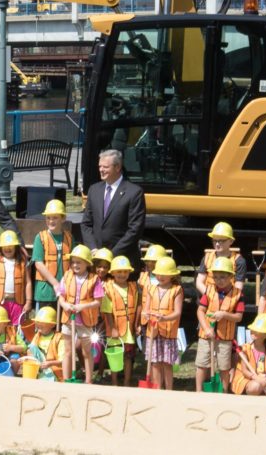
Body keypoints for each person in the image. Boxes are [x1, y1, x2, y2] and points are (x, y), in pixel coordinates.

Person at [81, 150, 146, 269]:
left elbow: (135, 229)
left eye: (105, 167)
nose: (101, 170)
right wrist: (93, 249)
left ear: (117, 167)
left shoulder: (134, 192)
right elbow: (86, 223)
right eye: (99, 166)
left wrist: (111, 254)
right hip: (96, 261)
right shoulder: (94, 190)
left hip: (122, 262)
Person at [195, 257, 243, 393]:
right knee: (202, 363)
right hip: (206, 335)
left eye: (222, 277)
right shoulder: (209, 291)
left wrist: (225, 315)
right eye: (215, 277)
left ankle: (224, 391)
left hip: (225, 337)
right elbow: (200, 311)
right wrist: (206, 328)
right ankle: (198, 392)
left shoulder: (238, 294)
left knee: (224, 366)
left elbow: (239, 317)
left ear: (231, 277)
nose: (218, 280)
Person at [57, 244, 102, 384]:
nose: (75, 265)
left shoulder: (94, 279)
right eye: (73, 262)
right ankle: (66, 379)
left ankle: (88, 381)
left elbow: (98, 301)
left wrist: (82, 306)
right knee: (68, 351)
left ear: (87, 263)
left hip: (85, 321)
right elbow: (61, 296)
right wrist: (65, 305)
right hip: (68, 319)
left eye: (79, 262)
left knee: (86, 352)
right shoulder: (67, 276)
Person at [142, 257, 183, 390]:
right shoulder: (151, 289)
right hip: (153, 332)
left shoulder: (177, 290)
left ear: (172, 275)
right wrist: (147, 315)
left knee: (167, 363)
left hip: (168, 333)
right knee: (155, 362)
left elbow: (177, 312)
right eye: (158, 273)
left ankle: (169, 390)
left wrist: (164, 318)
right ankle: (157, 389)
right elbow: (146, 310)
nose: (160, 276)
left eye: (164, 274)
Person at [102, 255, 138, 387]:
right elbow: (107, 311)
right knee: (115, 356)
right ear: (112, 273)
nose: (122, 275)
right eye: (119, 272)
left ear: (129, 272)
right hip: (116, 329)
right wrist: (112, 328)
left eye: (125, 271)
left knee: (128, 356)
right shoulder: (109, 289)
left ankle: (127, 382)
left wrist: (137, 325)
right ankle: (114, 382)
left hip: (129, 330)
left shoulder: (133, 287)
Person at [231, 313, 266, 397]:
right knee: (255, 387)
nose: (252, 332)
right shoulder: (246, 348)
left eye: (257, 331)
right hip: (249, 380)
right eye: (252, 329)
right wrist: (257, 379)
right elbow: (245, 371)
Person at [31, 200, 71, 310]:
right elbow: (38, 264)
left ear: (63, 218)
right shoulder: (40, 238)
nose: (51, 221)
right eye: (48, 218)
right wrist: (55, 283)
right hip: (46, 290)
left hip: (65, 289)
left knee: (62, 325)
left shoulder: (69, 237)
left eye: (55, 218)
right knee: (45, 323)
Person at [0, 230, 31, 321]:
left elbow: (28, 283)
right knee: (0, 325)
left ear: (16, 247)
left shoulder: (23, 262)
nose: (8, 249)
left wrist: (28, 302)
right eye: (5, 246)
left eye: (11, 246)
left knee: (16, 326)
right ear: (1, 247)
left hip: (17, 302)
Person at [195, 221, 248, 295]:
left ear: (231, 241)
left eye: (221, 241)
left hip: (230, 300)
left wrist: (225, 300)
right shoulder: (207, 258)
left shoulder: (239, 261)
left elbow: (238, 286)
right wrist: (210, 296)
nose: (217, 244)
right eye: (215, 240)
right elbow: (199, 282)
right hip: (208, 298)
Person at [28, 306, 63, 380]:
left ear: (52, 325)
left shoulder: (59, 338)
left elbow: (63, 360)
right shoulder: (37, 336)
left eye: (43, 323)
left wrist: (50, 363)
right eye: (38, 322)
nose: (39, 325)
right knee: (31, 348)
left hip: (54, 372)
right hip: (38, 371)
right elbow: (31, 352)